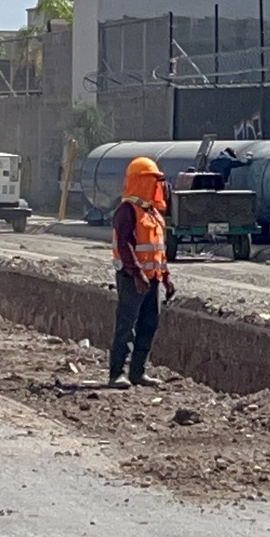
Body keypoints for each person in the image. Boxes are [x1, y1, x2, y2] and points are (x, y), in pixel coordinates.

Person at [108, 156, 174, 388]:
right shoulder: (127, 210)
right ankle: (117, 373)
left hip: (153, 280)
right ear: (138, 181)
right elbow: (125, 245)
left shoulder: (154, 214)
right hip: (132, 279)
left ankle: (138, 372)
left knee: (148, 324)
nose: (156, 185)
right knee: (127, 326)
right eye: (150, 180)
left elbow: (159, 251)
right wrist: (137, 275)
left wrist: (165, 276)